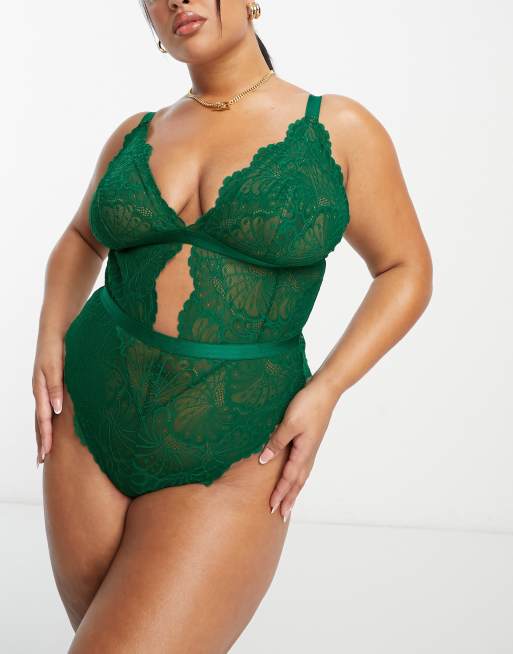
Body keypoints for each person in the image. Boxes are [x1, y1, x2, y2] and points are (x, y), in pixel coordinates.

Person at [32, 0, 433, 650]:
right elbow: (82, 237)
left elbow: (404, 268)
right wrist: (50, 336)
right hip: (88, 417)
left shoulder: (336, 128)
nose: (176, 0)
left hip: (240, 439)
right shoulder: (135, 133)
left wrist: (326, 389)